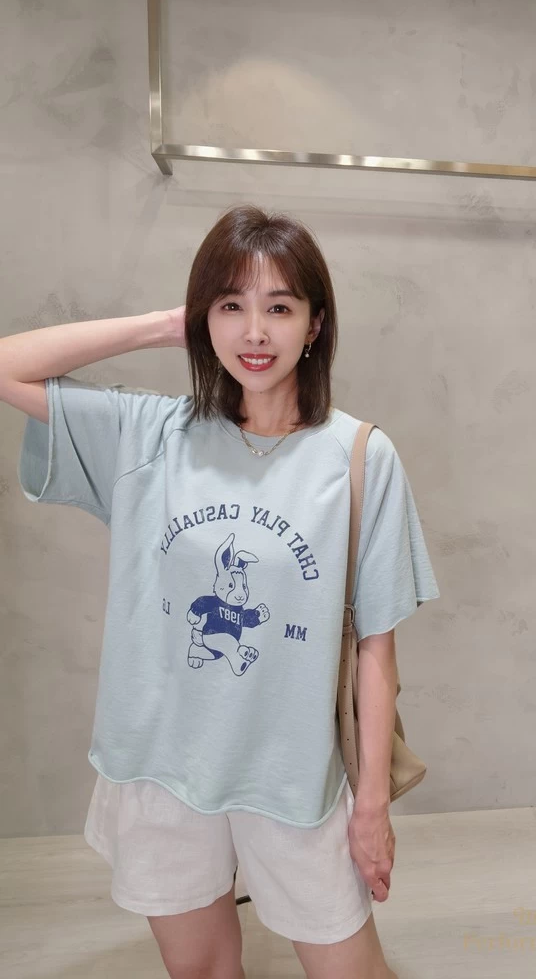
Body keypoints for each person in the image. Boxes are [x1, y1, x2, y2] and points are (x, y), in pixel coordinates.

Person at [0, 204, 440, 979]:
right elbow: (8, 365)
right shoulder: (150, 436)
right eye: (231, 306)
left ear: (315, 324)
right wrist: (165, 325)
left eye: (280, 308)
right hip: (162, 768)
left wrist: (371, 804)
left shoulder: (359, 458)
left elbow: (377, 648)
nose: (254, 332)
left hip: (292, 777)